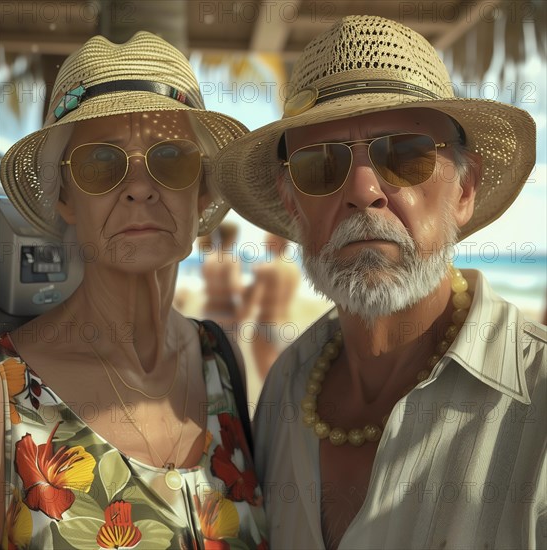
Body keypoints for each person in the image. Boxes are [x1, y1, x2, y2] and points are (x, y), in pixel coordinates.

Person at [215, 15, 546, 550]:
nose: (364, 190)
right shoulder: (286, 388)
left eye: (406, 155)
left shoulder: (537, 402)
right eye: (321, 165)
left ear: (465, 190)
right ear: (290, 201)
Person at [0, 32, 267, 548]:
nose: (140, 186)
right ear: (66, 199)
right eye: (101, 164)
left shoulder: (219, 364)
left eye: (171, 159)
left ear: (202, 190)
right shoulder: (7, 397)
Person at [242, 233, 300, 380]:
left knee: (268, 381)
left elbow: (254, 300)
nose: (265, 242)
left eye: (269, 239)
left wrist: (240, 314)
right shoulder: (294, 269)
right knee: (286, 380)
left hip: (266, 327)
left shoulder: (266, 268)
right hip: (287, 327)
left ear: (277, 241)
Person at [200, 222, 244, 329]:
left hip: (209, 312)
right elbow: (234, 287)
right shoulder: (231, 260)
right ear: (231, 237)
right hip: (226, 314)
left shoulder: (209, 259)